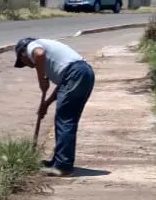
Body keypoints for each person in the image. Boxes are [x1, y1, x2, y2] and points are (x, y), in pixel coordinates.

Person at [14, 36, 95, 177]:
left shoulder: (31, 46)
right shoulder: (47, 51)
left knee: (65, 119)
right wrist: (46, 104)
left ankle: (63, 166)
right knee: (68, 118)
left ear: (23, 54)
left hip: (75, 73)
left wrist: (42, 80)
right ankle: (59, 161)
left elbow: (39, 55)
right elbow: (63, 86)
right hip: (84, 73)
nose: (28, 65)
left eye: (23, 62)